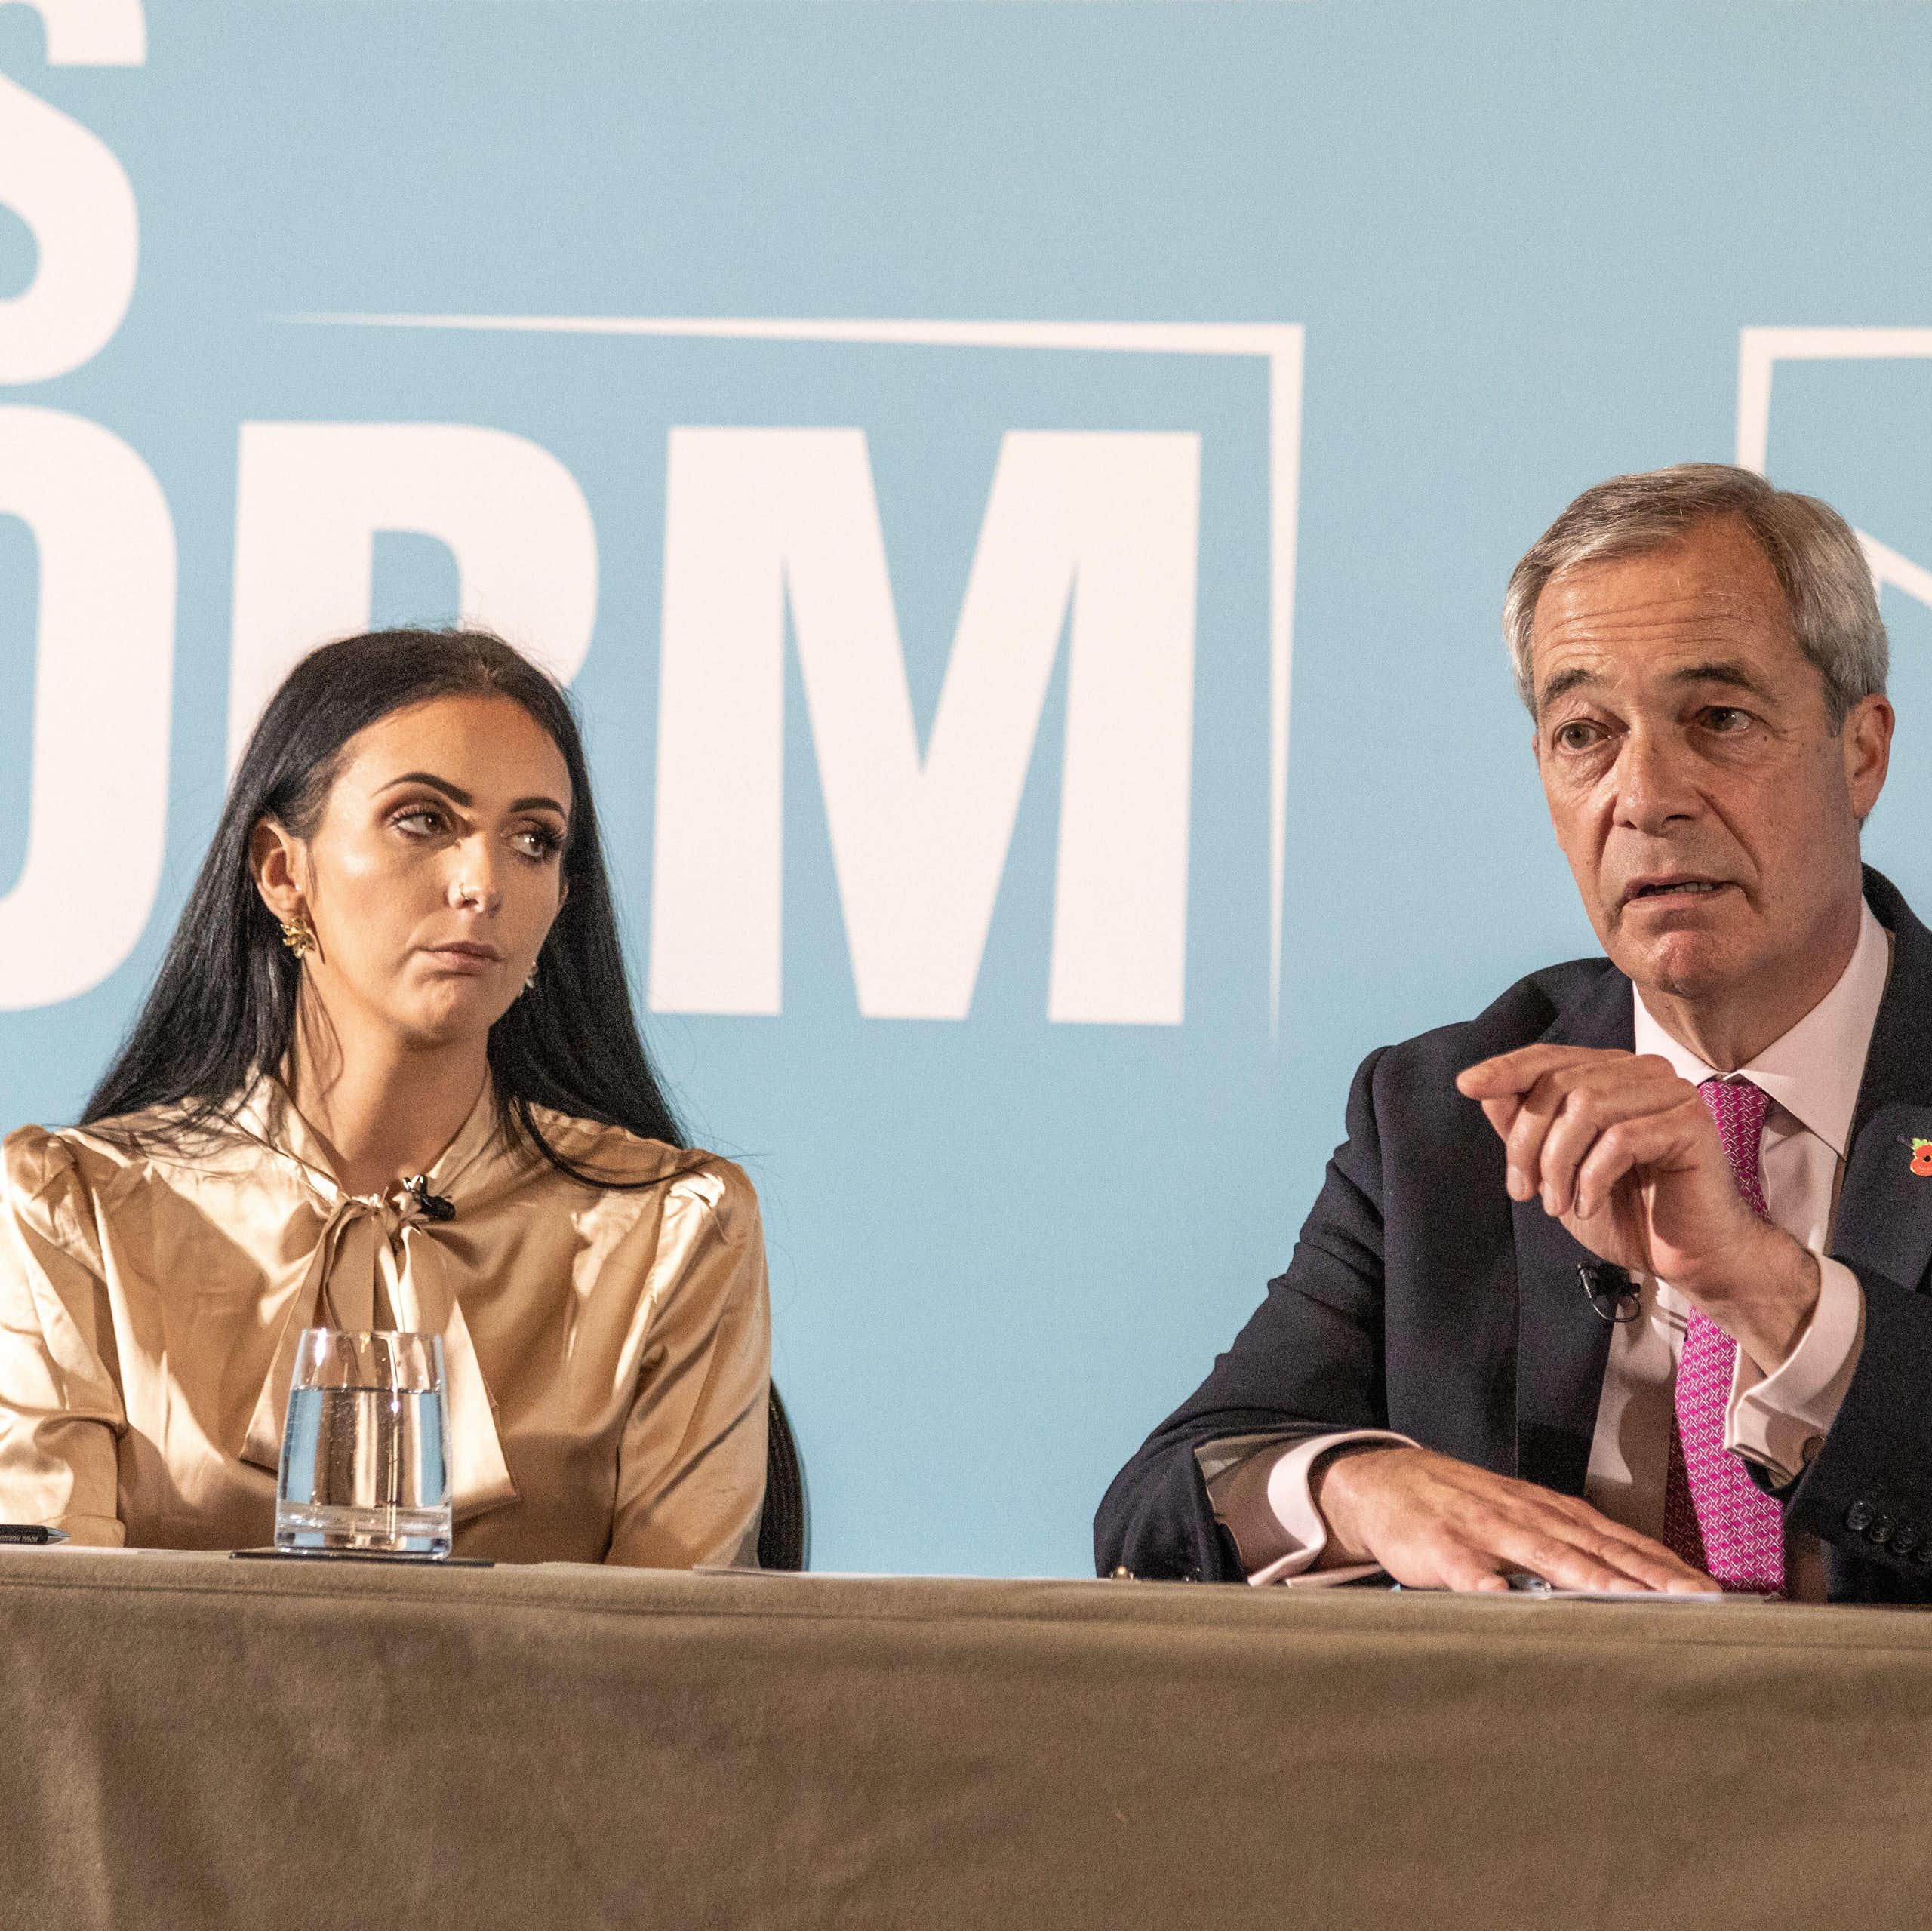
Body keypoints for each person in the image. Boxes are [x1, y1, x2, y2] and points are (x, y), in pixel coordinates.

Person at [1097, 463, 1932, 1604]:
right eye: (1585, 731)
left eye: (1719, 718)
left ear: (1860, 752)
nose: (1646, 794)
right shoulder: (1446, 1113)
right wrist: (1359, 1485)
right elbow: (1161, 1497)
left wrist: (1769, 1292)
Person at [0, 628, 769, 1566]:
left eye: (534, 841)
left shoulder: (674, 1231)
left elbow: (691, 1675)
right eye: (423, 820)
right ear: (283, 871)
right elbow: (48, 1643)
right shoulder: (69, 1209)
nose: (483, 883)